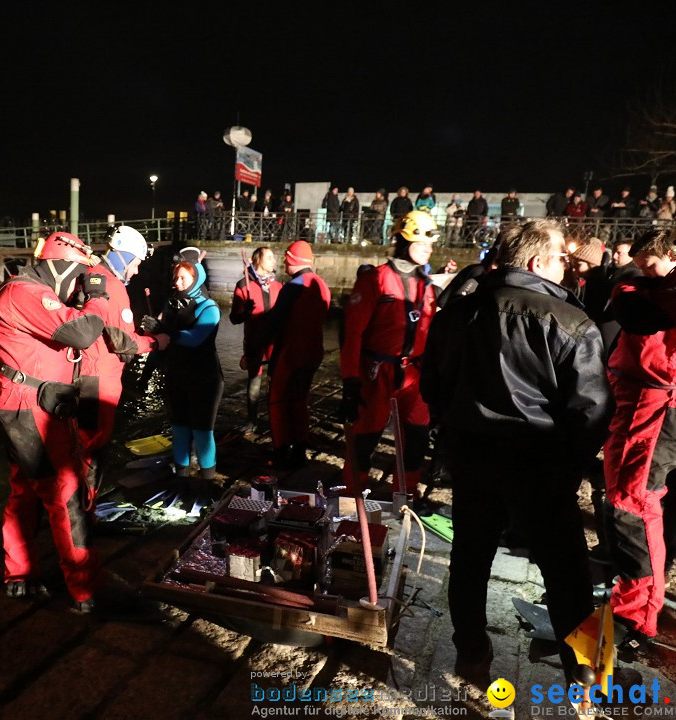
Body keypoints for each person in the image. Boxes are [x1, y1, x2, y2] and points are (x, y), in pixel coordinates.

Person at [421, 219, 613, 684]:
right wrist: (571, 467)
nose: (565, 269)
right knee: (567, 574)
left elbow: (432, 386)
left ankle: (471, 653)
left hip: (471, 458)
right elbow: (591, 412)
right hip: (539, 462)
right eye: (558, 261)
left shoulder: (456, 313)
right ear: (535, 263)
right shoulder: (571, 322)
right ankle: (586, 672)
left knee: (470, 560)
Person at [603, 226, 676, 657]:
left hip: (661, 401)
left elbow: (655, 309)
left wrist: (635, 288)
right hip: (648, 398)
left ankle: (635, 613)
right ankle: (633, 600)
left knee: (633, 505)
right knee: (627, 501)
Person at [0, 231, 110, 613]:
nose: (75, 288)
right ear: (65, 267)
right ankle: (83, 592)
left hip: (21, 401)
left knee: (24, 489)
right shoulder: (25, 294)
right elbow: (84, 331)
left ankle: (19, 574)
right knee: (65, 494)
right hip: (31, 408)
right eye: (76, 278)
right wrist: (97, 295)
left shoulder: (24, 292)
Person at [340, 211, 439, 497]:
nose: (428, 248)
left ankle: (404, 496)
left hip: (414, 374)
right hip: (377, 370)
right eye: (422, 242)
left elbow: (429, 333)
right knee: (365, 437)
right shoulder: (376, 279)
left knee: (417, 439)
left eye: (430, 244)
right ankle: (352, 495)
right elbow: (353, 333)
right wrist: (350, 381)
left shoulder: (427, 285)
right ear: (404, 240)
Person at [77, 226, 169, 501]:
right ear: (125, 257)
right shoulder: (113, 286)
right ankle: (84, 511)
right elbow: (123, 342)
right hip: (99, 380)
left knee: (84, 445)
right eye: (137, 262)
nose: (138, 270)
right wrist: (155, 341)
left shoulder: (93, 277)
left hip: (86, 375)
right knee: (93, 448)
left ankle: (80, 506)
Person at [143, 248, 224, 495]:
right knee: (179, 430)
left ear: (196, 279)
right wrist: (147, 369)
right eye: (175, 278)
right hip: (177, 375)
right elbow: (163, 346)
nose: (177, 283)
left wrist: (165, 331)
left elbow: (195, 338)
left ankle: (208, 482)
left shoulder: (209, 307)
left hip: (205, 379)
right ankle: (181, 480)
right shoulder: (171, 304)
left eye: (183, 279)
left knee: (202, 432)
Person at [254, 241, 331, 469]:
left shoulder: (293, 287)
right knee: (299, 401)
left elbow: (274, 323)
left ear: (292, 259)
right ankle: (299, 451)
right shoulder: (321, 285)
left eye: (286, 257)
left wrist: (255, 350)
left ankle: (280, 454)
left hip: (290, 353)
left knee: (278, 403)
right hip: (313, 351)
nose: (283, 261)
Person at [229, 247, 282, 433]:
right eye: (269, 257)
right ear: (256, 260)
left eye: (273, 257)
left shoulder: (278, 285)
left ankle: (276, 418)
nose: (273, 261)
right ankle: (252, 420)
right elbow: (234, 318)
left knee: (276, 380)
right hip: (254, 340)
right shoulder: (243, 285)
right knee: (254, 380)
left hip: (276, 342)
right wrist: (245, 311)